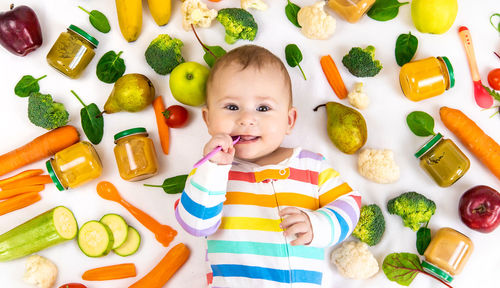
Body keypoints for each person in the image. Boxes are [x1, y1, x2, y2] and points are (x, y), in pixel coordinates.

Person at [175, 45, 361, 288]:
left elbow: (350, 204)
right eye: (232, 107)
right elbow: (195, 224)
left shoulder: (311, 167)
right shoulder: (211, 173)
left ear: (288, 120)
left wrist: (317, 225)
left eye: (263, 108)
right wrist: (212, 168)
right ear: (209, 120)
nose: (247, 119)